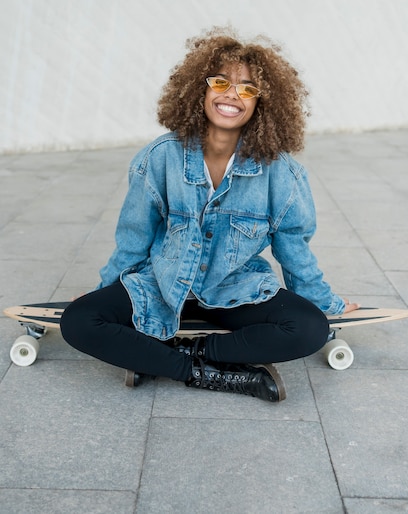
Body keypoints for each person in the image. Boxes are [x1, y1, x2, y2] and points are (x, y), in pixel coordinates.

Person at [60, 26, 360, 403]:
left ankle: (178, 357)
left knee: (309, 329)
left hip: (234, 290)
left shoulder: (282, 174)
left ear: (261, 103)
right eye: (221, 82)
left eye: (248, 88)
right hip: (163, 284)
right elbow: (133, 236)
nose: (232, 95)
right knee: (78, 321)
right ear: (199, 89)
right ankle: (208, 375)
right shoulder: (160, 157)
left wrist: (326, 303)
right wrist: (107, 289)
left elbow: (295, 253)